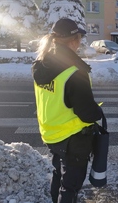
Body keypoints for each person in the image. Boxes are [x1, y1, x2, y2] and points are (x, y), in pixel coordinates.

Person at [31, 18, 103, 203]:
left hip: (51, 133)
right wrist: (98, 113)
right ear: (74, 40)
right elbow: (86, 113)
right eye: (79, 38)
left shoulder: (42, 64)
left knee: (58, 175)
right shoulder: (74, 70)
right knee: (71, 186)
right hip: (73, 138)